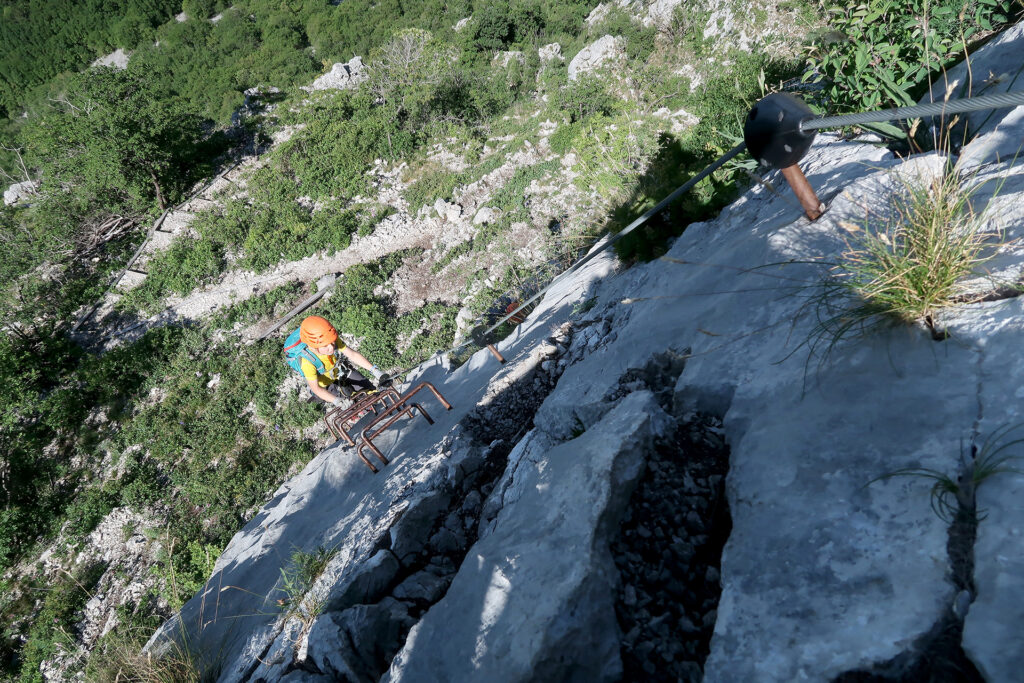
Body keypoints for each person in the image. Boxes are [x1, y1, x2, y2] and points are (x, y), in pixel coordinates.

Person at [296, 315, 387, 410]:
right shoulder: (307, 363)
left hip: (341, 372)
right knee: (352, 403)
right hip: (327, 385)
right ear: (313, 346)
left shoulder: (329, 339)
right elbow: (316, 389)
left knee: (371, 391)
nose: (331, 347)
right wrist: (336, 401)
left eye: (332, 343)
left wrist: (375, 371)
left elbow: (352, 355)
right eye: (326, 346)